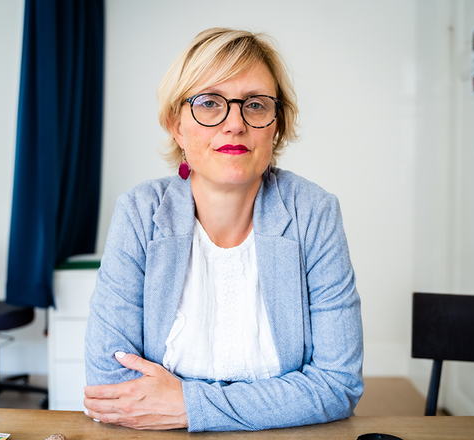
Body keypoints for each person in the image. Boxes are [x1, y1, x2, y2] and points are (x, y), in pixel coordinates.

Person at [83, 27, 363, 432]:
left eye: (255, 105)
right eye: (210, 103)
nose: (234, 123)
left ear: (276, 125)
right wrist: (282, 398)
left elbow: (338, 385)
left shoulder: (314, 212)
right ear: (176, 125)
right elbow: (110, 389)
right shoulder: (140, 213)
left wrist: (189, 405)